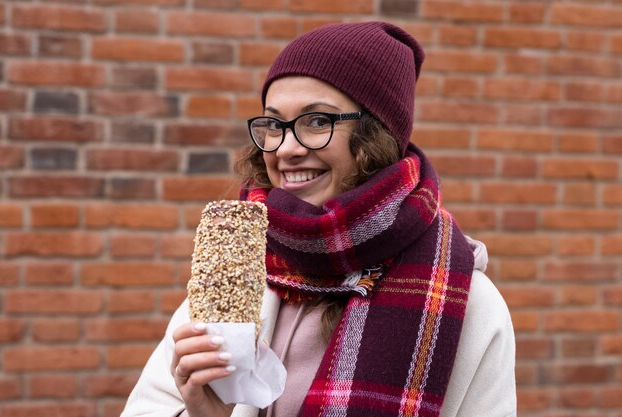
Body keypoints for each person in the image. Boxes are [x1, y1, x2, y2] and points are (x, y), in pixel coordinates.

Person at [121, 21, 516, 417]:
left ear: (374, 138)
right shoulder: (237, 278)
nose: (286, 149)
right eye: (274, 124)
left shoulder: (469, 306)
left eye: (316, 121)